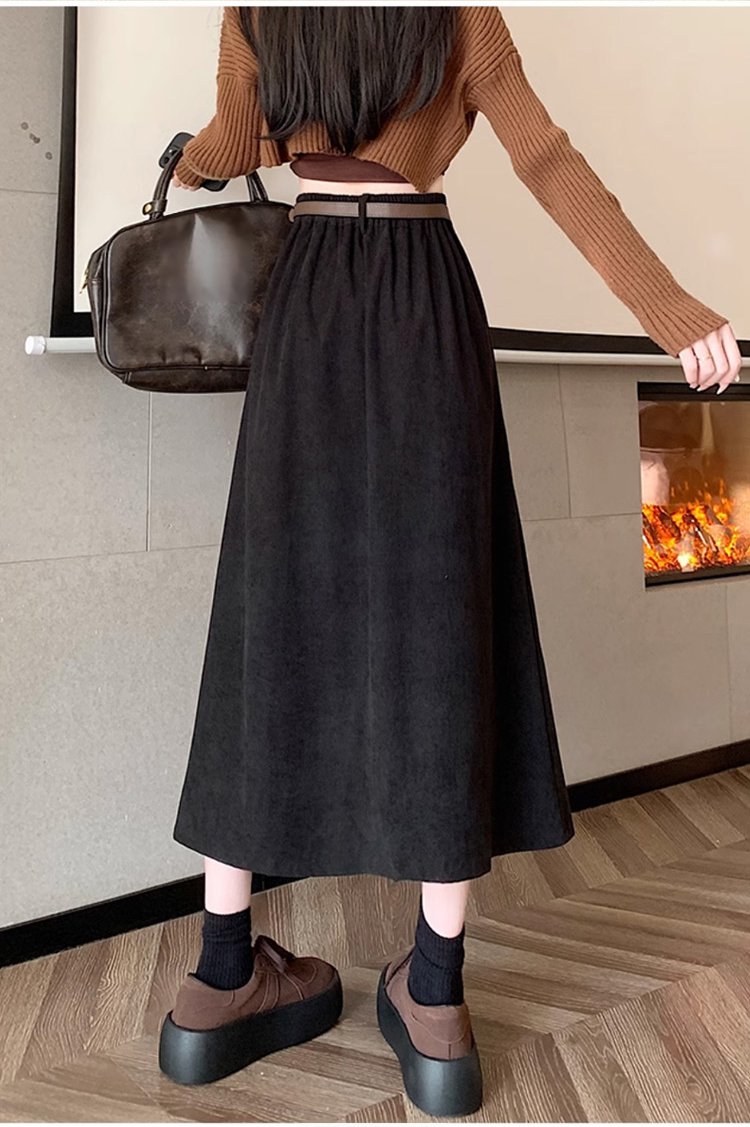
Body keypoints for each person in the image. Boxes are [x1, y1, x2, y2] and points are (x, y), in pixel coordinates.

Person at [157, 6, 741, 1116]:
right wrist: (672, 312)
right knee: (444, 619)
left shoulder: (257, 7)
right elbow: (548, 161)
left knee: (264, 624)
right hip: (425, 293)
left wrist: (195, 158)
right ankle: (433, 997)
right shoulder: (462, 11)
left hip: (308, 300)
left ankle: (221, 976)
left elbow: (231, 144)